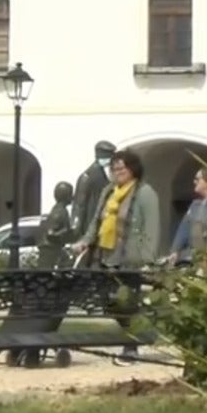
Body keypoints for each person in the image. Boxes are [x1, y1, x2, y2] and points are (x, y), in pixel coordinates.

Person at [72, 149, 163, 361]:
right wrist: (85, 241)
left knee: (127, 302)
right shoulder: (108, 191)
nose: (117, 172)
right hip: (105, 255)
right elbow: (97, 220)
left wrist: (147, 259)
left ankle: (130, 346)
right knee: (108, 301)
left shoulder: (144, 193)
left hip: (130, 257)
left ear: (132, 169)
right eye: (114, 169)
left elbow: (151, 228)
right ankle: (138, 332)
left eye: (121, 168)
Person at [69, 140, 118, 265]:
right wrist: (78, 233)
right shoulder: (86, 177)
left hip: (101, 227)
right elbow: (79, 207)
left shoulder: (107, 176)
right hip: (89, 226)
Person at [37, 181, 79, 268]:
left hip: (53, 250)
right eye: (71, 194)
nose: (73, 197)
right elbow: (51, 233)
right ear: (65, 196)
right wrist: (68, 232)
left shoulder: (59, 210)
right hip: (50, 252)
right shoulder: (60, 212)